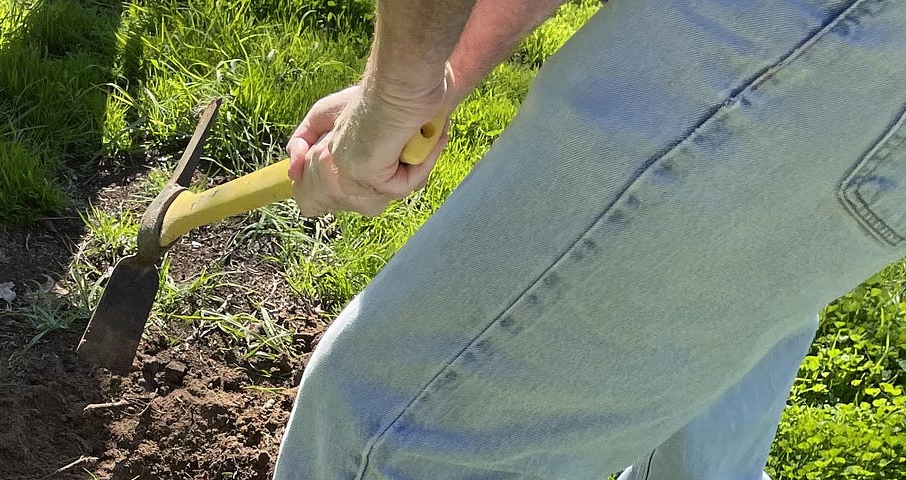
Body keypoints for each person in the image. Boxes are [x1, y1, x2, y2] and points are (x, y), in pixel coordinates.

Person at [277, 0, 906, 477]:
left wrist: (395, 95)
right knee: (711, 403)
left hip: (824, 39)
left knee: (386, 432)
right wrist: (428, 84)